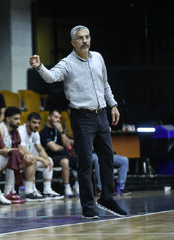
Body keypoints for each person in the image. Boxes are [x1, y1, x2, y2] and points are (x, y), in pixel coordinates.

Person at [30, 25, 128, 218]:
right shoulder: (67, 63)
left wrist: (113, 105)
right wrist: (40, 67)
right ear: (73, 42)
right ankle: (88, 206)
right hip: (82, 117)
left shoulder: (98, 57)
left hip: (101, 114)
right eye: (80, 38)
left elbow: (105, 84)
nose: (85, 41)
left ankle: (107, 199)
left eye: (87, 37)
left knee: (107, 158)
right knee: (85, 163)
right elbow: (51, 78)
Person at [0, 107, 43, 202]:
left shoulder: (15, 130)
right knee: (14, 157)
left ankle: (28, 191)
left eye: (19, 119)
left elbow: (19, 148)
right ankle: (8, 192)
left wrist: (25, 156)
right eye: (16, 119)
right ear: (8, 118)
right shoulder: (1, 128)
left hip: (8, 157)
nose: (18, 121)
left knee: (31, 159)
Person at [18, 112, 64, 200]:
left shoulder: (35, 132)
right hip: (20, 160)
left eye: (38, 123)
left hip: (29, 159)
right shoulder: (21, 131)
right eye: (34, 122)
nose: (37, 125)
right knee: (32, 160)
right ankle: (29, 192)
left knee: (49, 160)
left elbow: (40, 149)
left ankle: (47, 190)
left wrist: (46, 159)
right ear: (27, 122)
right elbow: (24, 151)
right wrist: (42, 160)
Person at [40, 109, 79, 198]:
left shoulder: (59, 131)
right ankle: (67, 187)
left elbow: (67, 145)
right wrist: (63, 147)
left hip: (65, 155)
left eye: (59, 118)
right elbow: (54, 148)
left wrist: (61, 131)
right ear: (49, 117)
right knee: (65, 161)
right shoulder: (44, 132)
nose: (58, 120)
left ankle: (77, 185)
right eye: (55, 117)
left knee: (82, 159)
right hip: (52, 157)